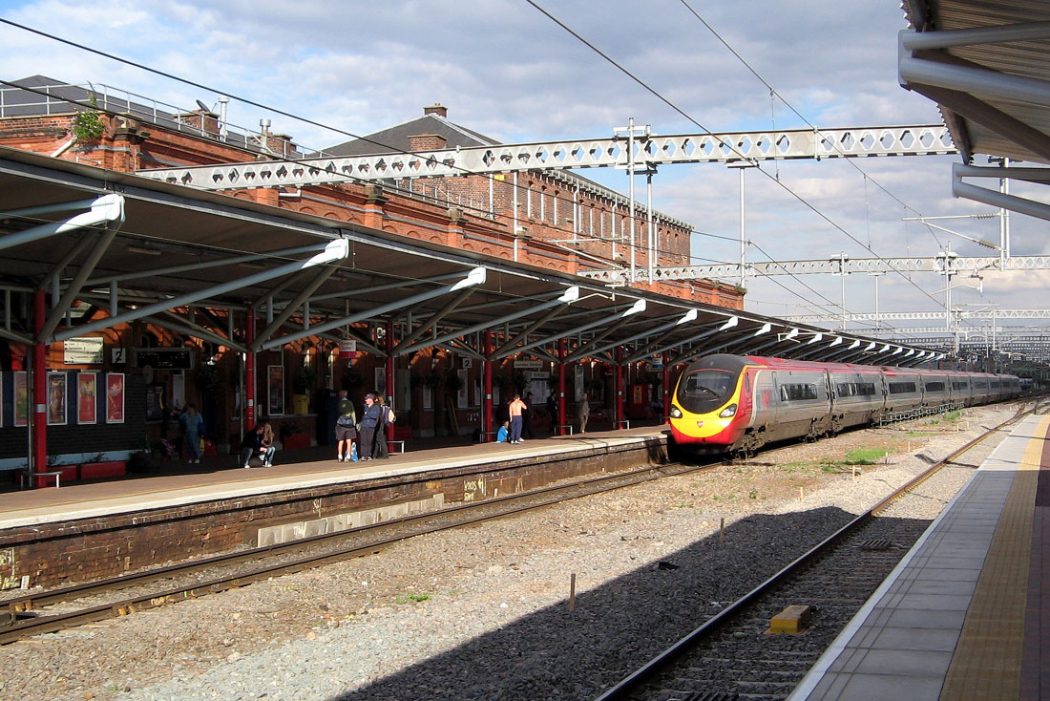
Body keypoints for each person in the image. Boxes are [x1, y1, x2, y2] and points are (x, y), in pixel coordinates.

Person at [357, 392, 383, 461]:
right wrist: (366, 415)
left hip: (371, 426)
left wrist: (366, 414)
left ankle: (368, 455)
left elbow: (375, 415)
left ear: (371, 399)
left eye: (367, 399)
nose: (365, 400)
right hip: (364, 425)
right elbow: (361, 415)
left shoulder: (376, 407)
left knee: (369, 441)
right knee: (363, 441)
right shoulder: (364, 406)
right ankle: (363, 455)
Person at [334, 389, 358, 462]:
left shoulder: (339, 403)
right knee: (349, 441)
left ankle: (340, 455)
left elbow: (337, 412)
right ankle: (348, 455)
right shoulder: (350, 403)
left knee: (340, 441)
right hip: (349, 424)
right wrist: (354, 422)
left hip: (341, 424)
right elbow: (353, 413)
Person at [372, 394, 397, 459]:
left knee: (380, 439)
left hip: (379, 424)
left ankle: (385, 455)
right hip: (384, 424)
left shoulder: (379, 407)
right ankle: (374, 455)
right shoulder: (386, 407)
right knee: (378, 440)